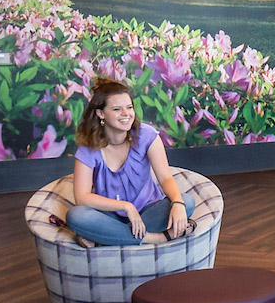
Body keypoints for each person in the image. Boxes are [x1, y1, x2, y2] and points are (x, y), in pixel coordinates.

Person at [65, 77, 192, 245]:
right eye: (117, 109)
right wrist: (126, 206)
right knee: (76, 216)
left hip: (148, 210)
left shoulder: (147, 136)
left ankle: (107, 237)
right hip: (109, 213)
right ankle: (157, 238)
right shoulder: (88, 149)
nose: (126, 114)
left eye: (129, 107)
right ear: (100, 113)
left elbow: (165, 177)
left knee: (187, 202)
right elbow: (81, 197)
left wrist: (177, 203)